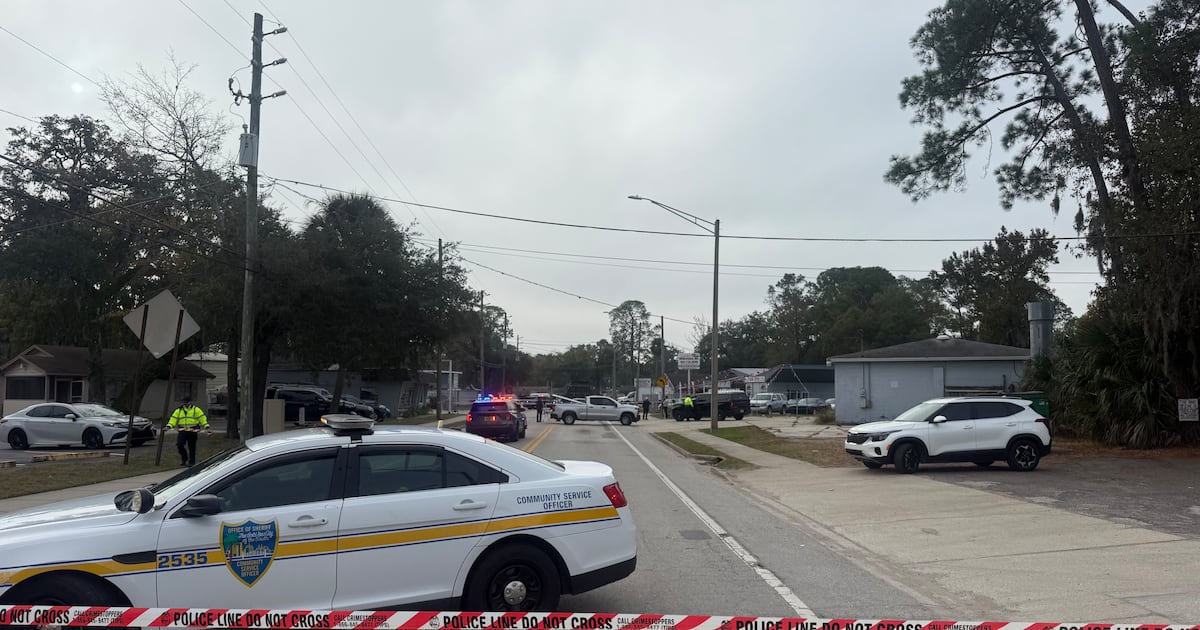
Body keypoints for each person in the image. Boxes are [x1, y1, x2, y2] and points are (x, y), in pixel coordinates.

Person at [168, 397, 211, 467]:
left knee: (192, 447)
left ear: (190, 402)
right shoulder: (179, 410)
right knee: (180, 444)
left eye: (187, 402)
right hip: (182, 430)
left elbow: (202, 418)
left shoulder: (196, 410)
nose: (186, 403)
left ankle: (192, 462)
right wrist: (169, 426)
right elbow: (173, 419)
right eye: (185, 402)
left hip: (193, 430)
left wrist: (206, 427)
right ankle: (184, 458)